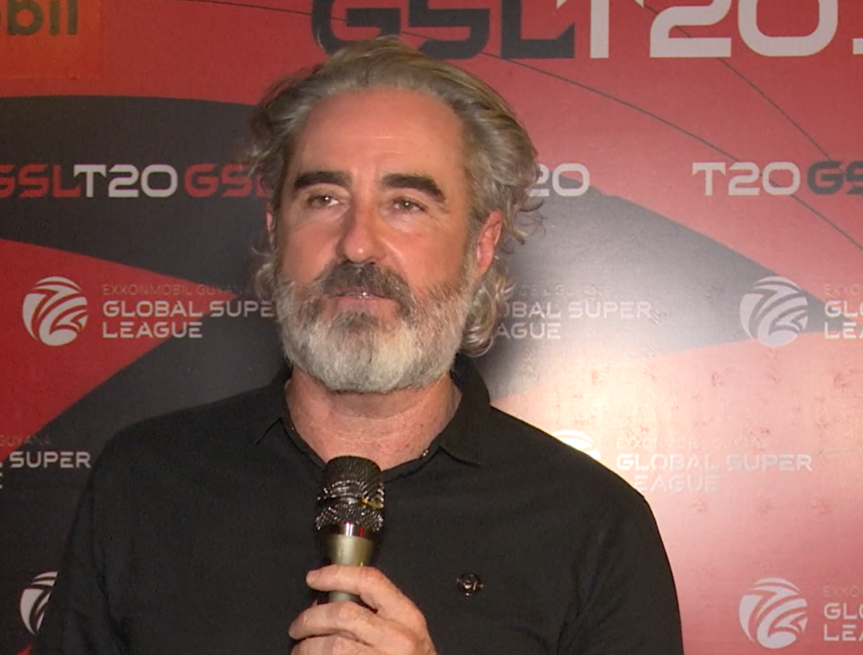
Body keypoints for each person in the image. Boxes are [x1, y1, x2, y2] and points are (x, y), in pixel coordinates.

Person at [34, 37, 684, 654]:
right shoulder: (145, 482)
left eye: (406, 203)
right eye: (324, 197)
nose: (358, 243)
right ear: (275, 228)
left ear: (480, 245)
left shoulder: (592, 524)